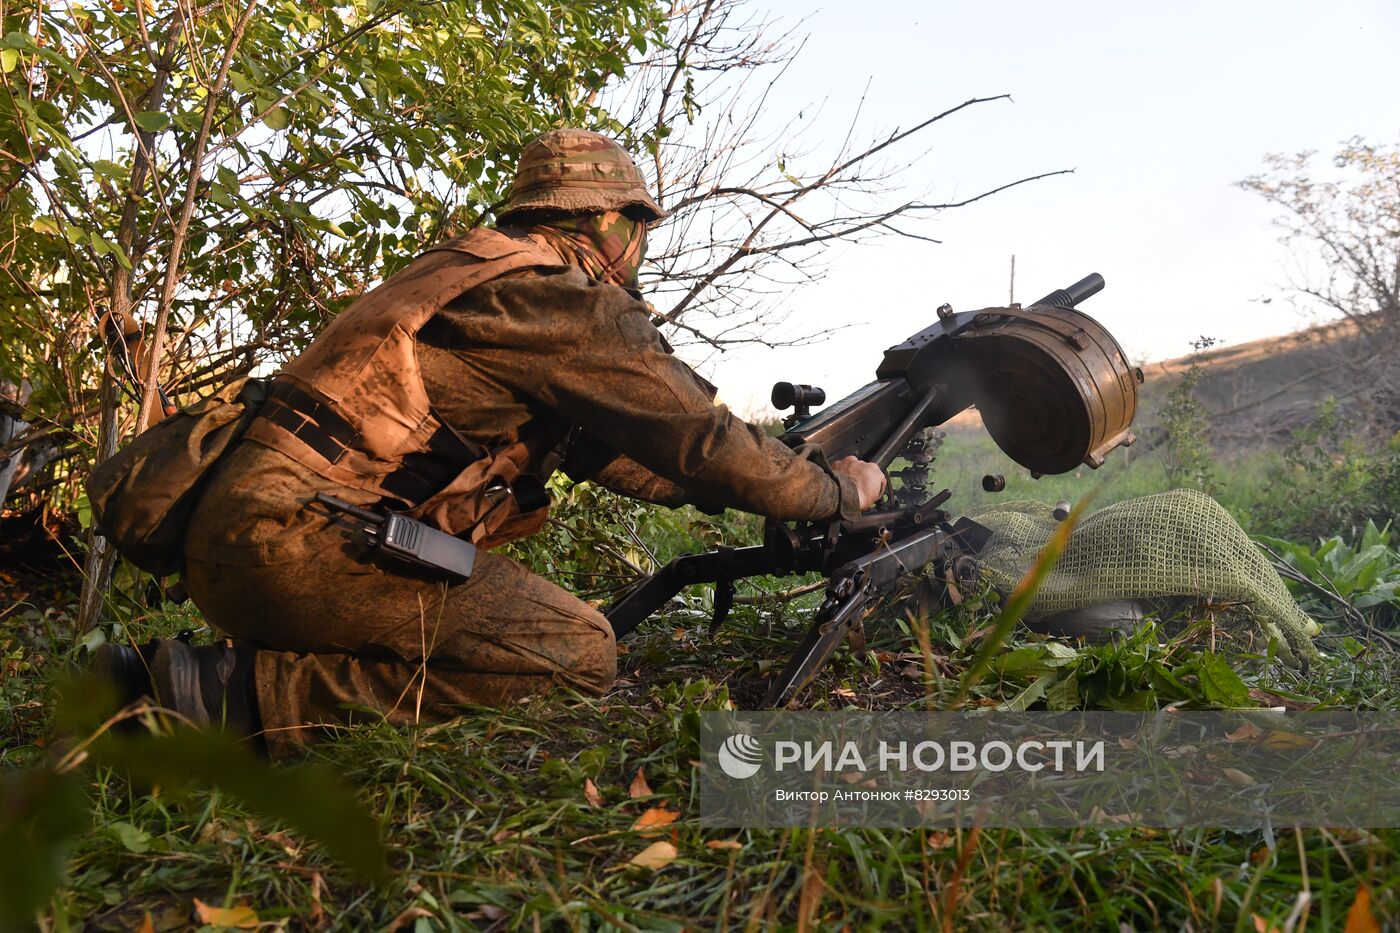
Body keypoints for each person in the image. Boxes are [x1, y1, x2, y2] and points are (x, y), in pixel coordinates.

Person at [96, 129, 886, 756]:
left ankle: (202, 678)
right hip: (299, 544)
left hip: (233, 538)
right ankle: (204, 700)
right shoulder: (560, 301)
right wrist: (835, 489)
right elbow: (701, 437)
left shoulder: (469, 273)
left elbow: (633, 455)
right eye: (639, 226)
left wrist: (752, 475)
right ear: (607, 222)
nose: (641, 248)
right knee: (577, 652)